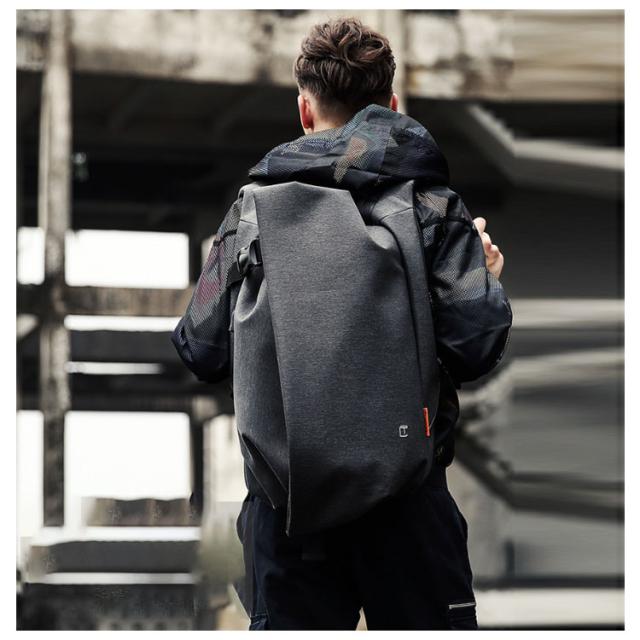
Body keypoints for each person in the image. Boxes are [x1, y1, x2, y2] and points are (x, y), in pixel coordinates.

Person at [172, 16, 512, 631]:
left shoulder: (249, 212)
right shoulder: (433, 207)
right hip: (408, 508)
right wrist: (483, 278)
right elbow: (477, 346)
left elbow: (200, 347)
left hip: (287, 507)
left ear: (304, 111)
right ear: (392, 106)